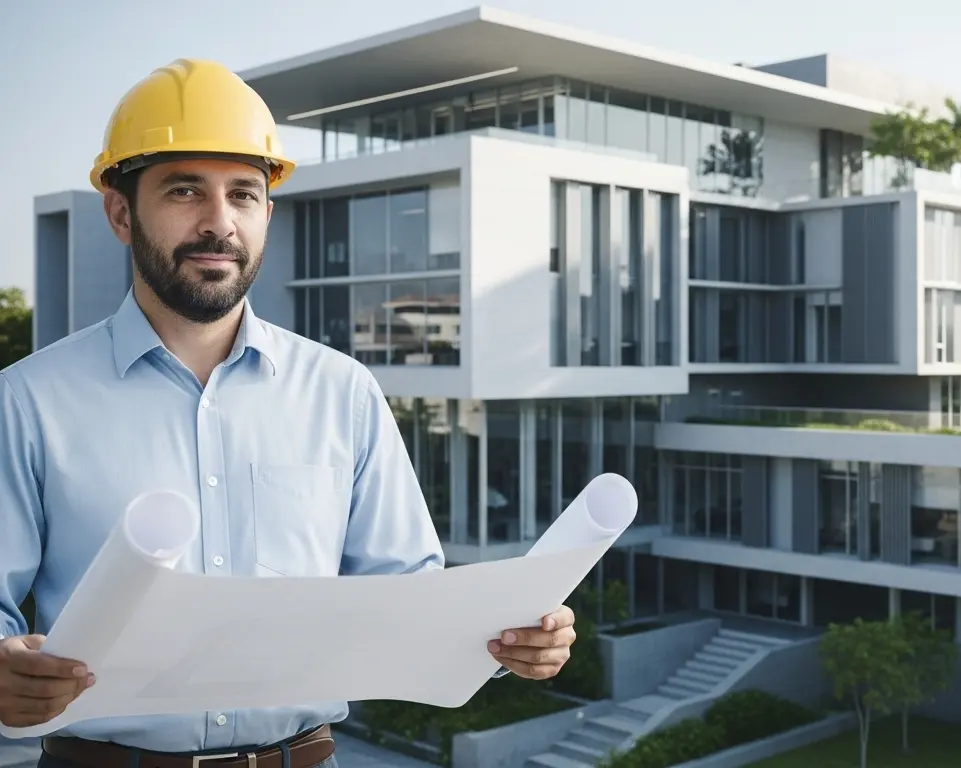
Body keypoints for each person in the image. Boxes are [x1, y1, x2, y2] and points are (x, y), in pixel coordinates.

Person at [0, 59, 577, 768]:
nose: (219, 223)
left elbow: (414, 606)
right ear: (122, 213)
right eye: (185, 191)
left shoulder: (345, 392)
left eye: (244, 194)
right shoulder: (27, 401)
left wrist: (511, 639)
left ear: (267, 213)